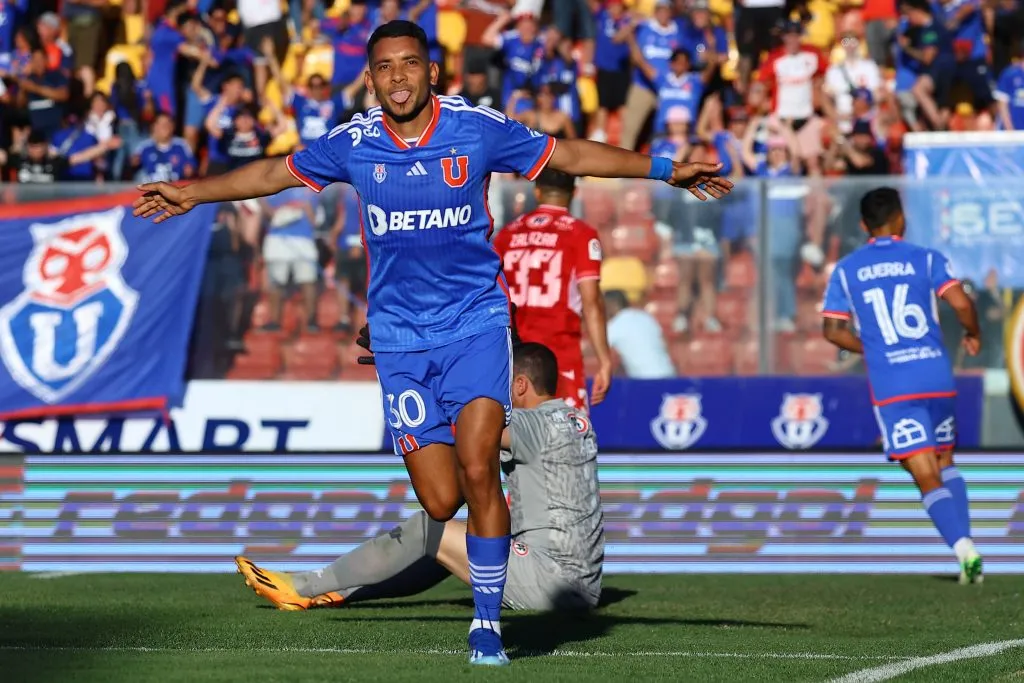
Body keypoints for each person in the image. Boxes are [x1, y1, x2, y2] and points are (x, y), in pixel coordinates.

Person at [132, 20, 731, 666]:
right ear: (369, 77)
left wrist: (666, 170)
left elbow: (571, 155)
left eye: (409, 64)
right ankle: (464, 578)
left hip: (475, 324)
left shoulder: (476, 128)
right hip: (399, 342)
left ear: (432, 72)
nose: (397, 77)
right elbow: (273, 175)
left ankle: (486, 625)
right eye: (385, 67)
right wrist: (191, 192)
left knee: (480, 468)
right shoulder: (352, 144)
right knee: (441, 499)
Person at [235, 341, 603, 613]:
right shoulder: (575, 422)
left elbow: (471, 429)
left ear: (520, 385)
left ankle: (303, 585)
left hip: (549, 582)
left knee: (432, 528)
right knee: (454, 543)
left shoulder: (532, 424)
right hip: (579, 586)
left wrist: (407, 372)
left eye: (503, 383)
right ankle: (339, 593)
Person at [821, 187, 983, 584]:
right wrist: (973, 333)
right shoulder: (926, 258)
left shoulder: (846, 269)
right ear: (901, 220)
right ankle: (969, 551)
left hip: (893, 383)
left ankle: (964, 550)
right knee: (946, 462)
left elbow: (832, 330)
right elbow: (961, 303)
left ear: (863, 226)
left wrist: (872, 349)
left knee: (925, 474)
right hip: (935, 375)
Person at [493, 169, 612, 412]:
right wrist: (604, 360)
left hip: (514, 357)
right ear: (574, 193)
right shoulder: (581, 234)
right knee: (569, 442)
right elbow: (591, 302)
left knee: (515, 443)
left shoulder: (506, 235)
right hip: (559, 356)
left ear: (537, 192)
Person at [603, 290, 675, 379]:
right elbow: (664, 344)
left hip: (646, 381)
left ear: (611, 304)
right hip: (668, 374)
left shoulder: (615, 325)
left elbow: (596, 347)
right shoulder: (646, 317)